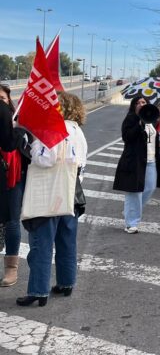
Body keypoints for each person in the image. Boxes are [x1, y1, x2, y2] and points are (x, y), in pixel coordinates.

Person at [17, 92, 87, 306]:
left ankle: (39, 291)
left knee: (41, 243)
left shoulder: (54, 129)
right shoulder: (78, 131)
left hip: (49, 195)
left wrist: (32, 145)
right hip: (73, 194)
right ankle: (66, 283)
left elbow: (45, 159)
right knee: (67, 241)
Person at [113, 96, 160, 233]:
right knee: (134, 192)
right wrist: (139, 124)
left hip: (151, 161)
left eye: (143, 102)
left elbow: (155, 139)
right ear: (133, 106)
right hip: (134, 161)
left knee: (150, 188)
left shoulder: (153, 120)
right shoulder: (131, 119)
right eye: (137, 103)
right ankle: (131, 223)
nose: (140, 104)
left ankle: (129, 211)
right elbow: (127, 138)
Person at [0, 84, 31, 287]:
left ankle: (11, 268)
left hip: (15, 179)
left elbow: (30, 153)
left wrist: (19, 134)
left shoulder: (21, 126)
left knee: (12, 222)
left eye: (2, 98)